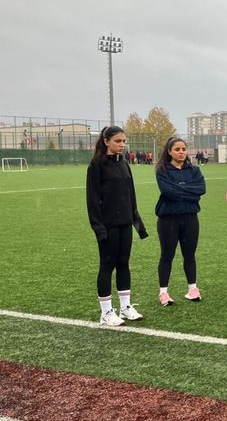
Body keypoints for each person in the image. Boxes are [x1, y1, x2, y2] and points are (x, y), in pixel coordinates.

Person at [86, 126, 149, 326]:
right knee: (107, 266)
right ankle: (106, 312)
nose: (122, 145)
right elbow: (93, 200)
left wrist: (137, 224)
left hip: (125, 224)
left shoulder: (124, 164)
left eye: (124, 141)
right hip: (108, 226)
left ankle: (126, 307)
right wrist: (99, 228)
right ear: (106, 141)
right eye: (118, 141)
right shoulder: (96, 165)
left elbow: (131, 196)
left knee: (124, 264)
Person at [155, 137, 207, 306]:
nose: (181, 152)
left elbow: (201, 189)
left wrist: (180, 187)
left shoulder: (194, 170)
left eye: (183, 149)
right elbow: (168, 192)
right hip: (168, 219)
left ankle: (192, 289)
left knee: (189, 254)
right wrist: (189, 190)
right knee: (167, 255)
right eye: (177, 149)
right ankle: (163, 292)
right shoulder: (163, 170)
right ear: (169, 151)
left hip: (190, 218)